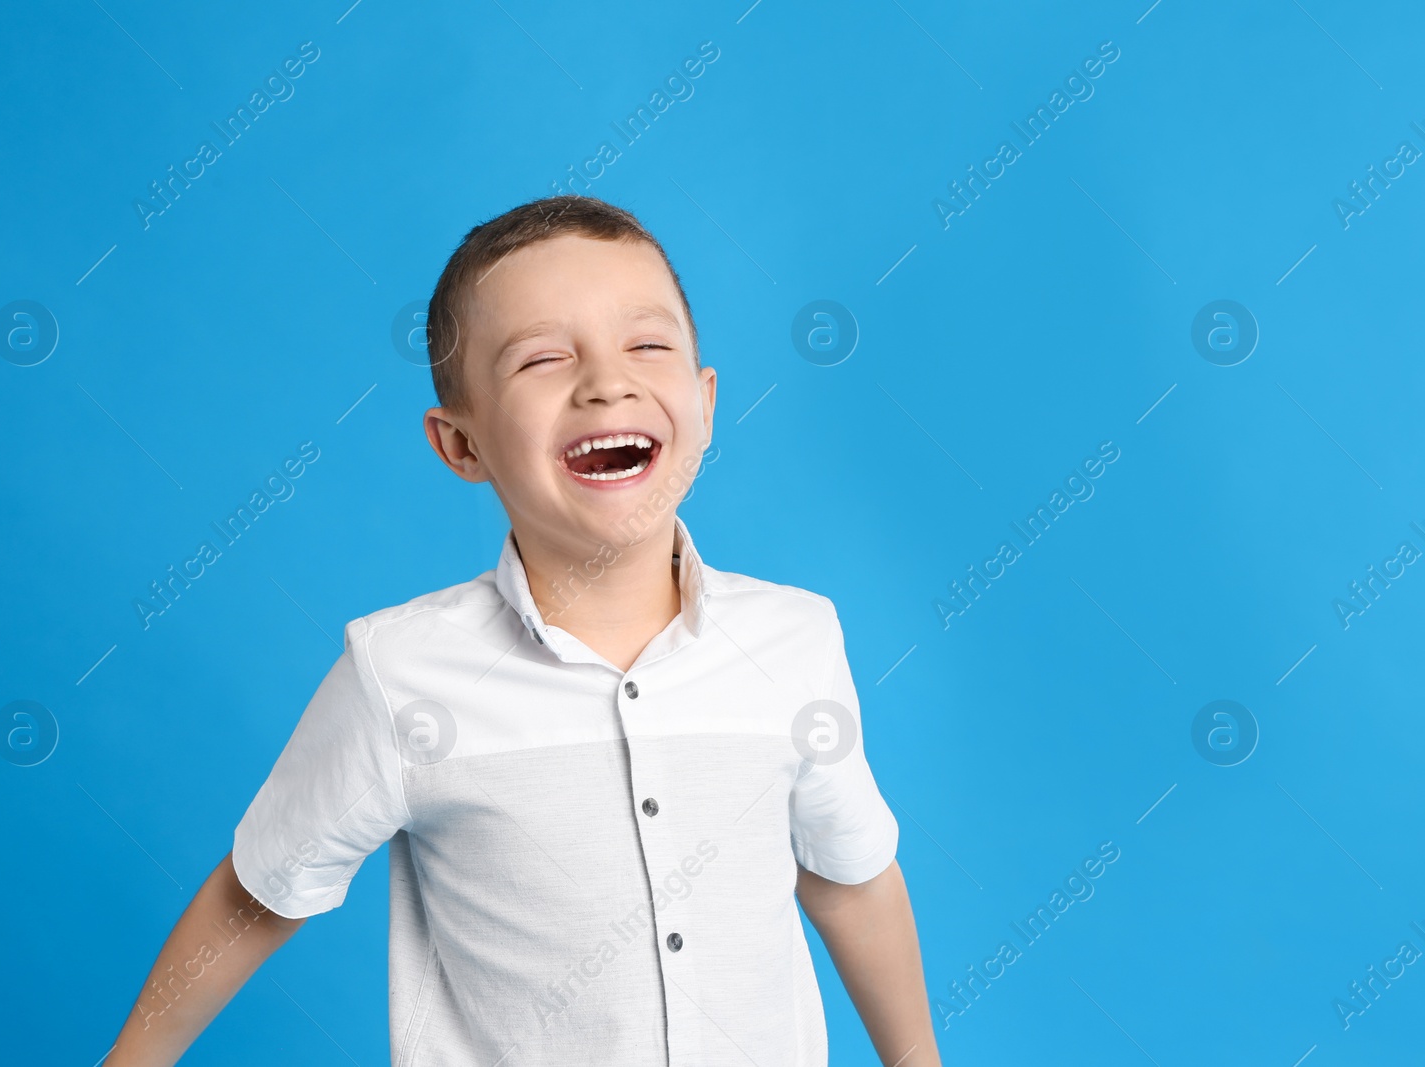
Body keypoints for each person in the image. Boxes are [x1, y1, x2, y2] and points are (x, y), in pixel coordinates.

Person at [106, 195, 943, 1066]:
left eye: (647, 344)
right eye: (544, 358)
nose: (606, 382)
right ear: (460, 444)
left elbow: (850, 881)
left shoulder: (795, 639)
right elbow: (256, 898)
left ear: (704, 403)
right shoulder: (401, 673)